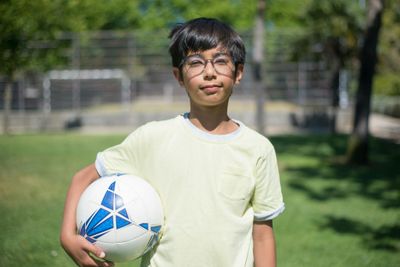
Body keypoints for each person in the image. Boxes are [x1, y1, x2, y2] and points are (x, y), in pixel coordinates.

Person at [60, 17, 285, 267]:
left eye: (220, 61)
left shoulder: (258, 149)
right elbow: (83, 178)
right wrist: (68, 237)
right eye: (196, 63)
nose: (209, 72)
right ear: (179, 76)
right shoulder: (152, 138)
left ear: (238, 72)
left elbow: (263, 235)